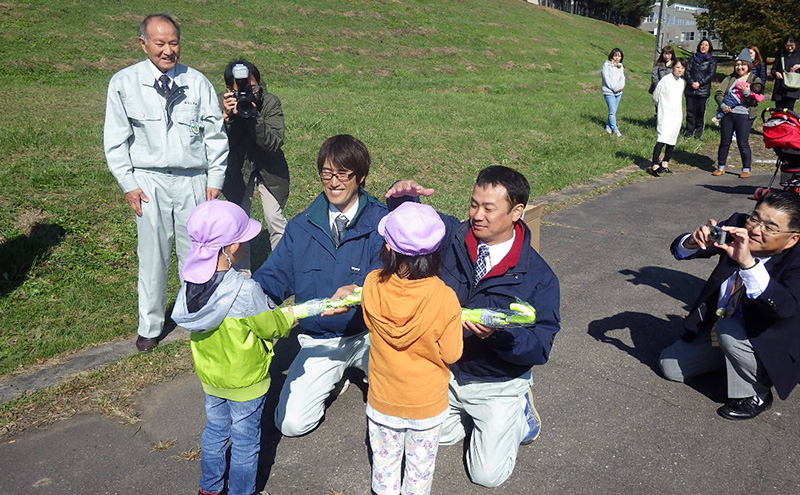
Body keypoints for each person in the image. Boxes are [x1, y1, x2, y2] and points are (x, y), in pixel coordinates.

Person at [385, 166, 561, 487]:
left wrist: (500, 336)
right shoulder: (451, 235)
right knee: (428, 437)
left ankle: (519, 412)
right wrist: (402, 200)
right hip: (447, 370)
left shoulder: (539, 278)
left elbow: (540, 346)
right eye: (473, 204)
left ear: (516, 212)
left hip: (496, 381)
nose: (477, 215)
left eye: (489, 208)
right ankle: (467, 417)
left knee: (487, 476)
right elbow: (413, 227)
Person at [252, 135, 405, 437]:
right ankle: (335, 377)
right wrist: (243, 299)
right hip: (319, 339)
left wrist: (361, 291)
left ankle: (367, 373)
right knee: (291, 424)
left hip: (372, 333)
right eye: (326, 173)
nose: (333, 182)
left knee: (402, 403)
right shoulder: (300, 227)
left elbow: (397, 278)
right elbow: (273, 279)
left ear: (360, 177)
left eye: (343, 174)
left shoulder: (383, 222)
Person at [103, 13, 228, 352]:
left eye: (173, 42)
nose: (168, 50)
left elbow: (216, 135)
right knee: (153, 255)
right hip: (149, 180)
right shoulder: (124, 83)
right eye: (160, 43)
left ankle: (196, 316)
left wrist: (214, 178)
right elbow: (115, 139)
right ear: (143, 44)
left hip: (193, 180)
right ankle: (151, 325)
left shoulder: (197, 82)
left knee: (198, 252)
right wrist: (128, 182)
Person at [171, 200, 295, 495]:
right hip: (246, 381)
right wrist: (288, 316)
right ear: (235, 245)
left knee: (215, 432)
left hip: (212, 378)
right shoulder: (245, 289)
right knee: (245, 441)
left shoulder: (189, 283)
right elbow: (271, 327)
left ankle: (209, 488)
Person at [659, 190, 800, 420]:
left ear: (792, 238)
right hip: (722, 324)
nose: (755, 230)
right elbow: (680, 250)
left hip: (771, 337)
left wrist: (748, 263)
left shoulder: (796, 259)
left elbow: (784, 309)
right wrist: (693, 241)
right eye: (755, 218)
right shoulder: (737, 226)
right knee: (670, 366)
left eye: (770, 227)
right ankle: (734, 361)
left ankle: (757, 394)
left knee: (728, 330)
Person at [362, 202, 463, 495]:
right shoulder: (445, 297)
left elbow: (370, 322)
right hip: (426, 404)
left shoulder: (372, 284)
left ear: (388, 249)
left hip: (383, 400)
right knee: (419, 474)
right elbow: (452, 354)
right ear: (435, 251)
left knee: (384, 468)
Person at [221, 59, 289, 266]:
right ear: (228, 90)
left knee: (275, 218)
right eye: (240, 89)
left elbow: (274, 142)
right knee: (240, 219)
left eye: (253, 88)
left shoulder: (269, 103)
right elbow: (213, 144)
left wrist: (254, 116)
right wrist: (224, 117)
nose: (248, 93)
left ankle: (283, 266)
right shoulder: (219, 104)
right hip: (237, 168)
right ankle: (241, 271)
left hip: (269, 166)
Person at [710, 49, 763, 179]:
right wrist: (722, 105)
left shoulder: (755, 79)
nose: (739, 67)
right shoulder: (730, 78)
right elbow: (718, 93)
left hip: (744, 115)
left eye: (742, 64)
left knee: (742, 142)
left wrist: (746, 93)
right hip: (728, 114)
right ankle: (721, 167)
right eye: (737, 64)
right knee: (725, 141)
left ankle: (746, 168)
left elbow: (755, 100)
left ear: (748, 65)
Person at [650, 58, 687, 177]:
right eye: (677, 67)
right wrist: (661, 106)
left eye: (682, 68)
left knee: (672, 138)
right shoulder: (665, 80)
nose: (679, 70)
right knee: (662, 137)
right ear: (672, 67)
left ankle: (665, 162)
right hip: (665, 113)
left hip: (676, 114)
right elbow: (656, 96)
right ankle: (655, 164)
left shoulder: (682, 82)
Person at [683, 38, 717, 140]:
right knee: (690, 111)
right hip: (691, 90)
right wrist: (691, 82)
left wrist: (700, 83)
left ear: (709, 47)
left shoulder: (712, 60)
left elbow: (711, 74)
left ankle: (698, 131)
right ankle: (689, 130)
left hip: (703, 90)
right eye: (702, 44)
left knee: (700, 112)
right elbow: (687, 72)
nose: (703, 47)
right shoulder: (692, 59)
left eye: (706, 45)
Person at [771, 35, 800, 111]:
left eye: (791, 46)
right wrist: (776, 73)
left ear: (795, 44)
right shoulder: (780, 54)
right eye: (787, 46)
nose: (789, 48)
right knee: (778, 111)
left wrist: (799, 66)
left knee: (789, 111)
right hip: (780, 87)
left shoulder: (798, 54)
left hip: (792, 88)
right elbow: (773, 69)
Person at [601, 48, 625, 137]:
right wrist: (614, 88)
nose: (617, 58)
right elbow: (606, 79)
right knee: (612, 112)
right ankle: (616, 130)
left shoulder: (620, 66)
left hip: (619, 92)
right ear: (611, 56)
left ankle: (608, 127)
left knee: (613, 111)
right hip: (609, 92)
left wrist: (620, 87)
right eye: (615, 55)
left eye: (619, 56)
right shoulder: (606, 65)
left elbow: (622, 78)